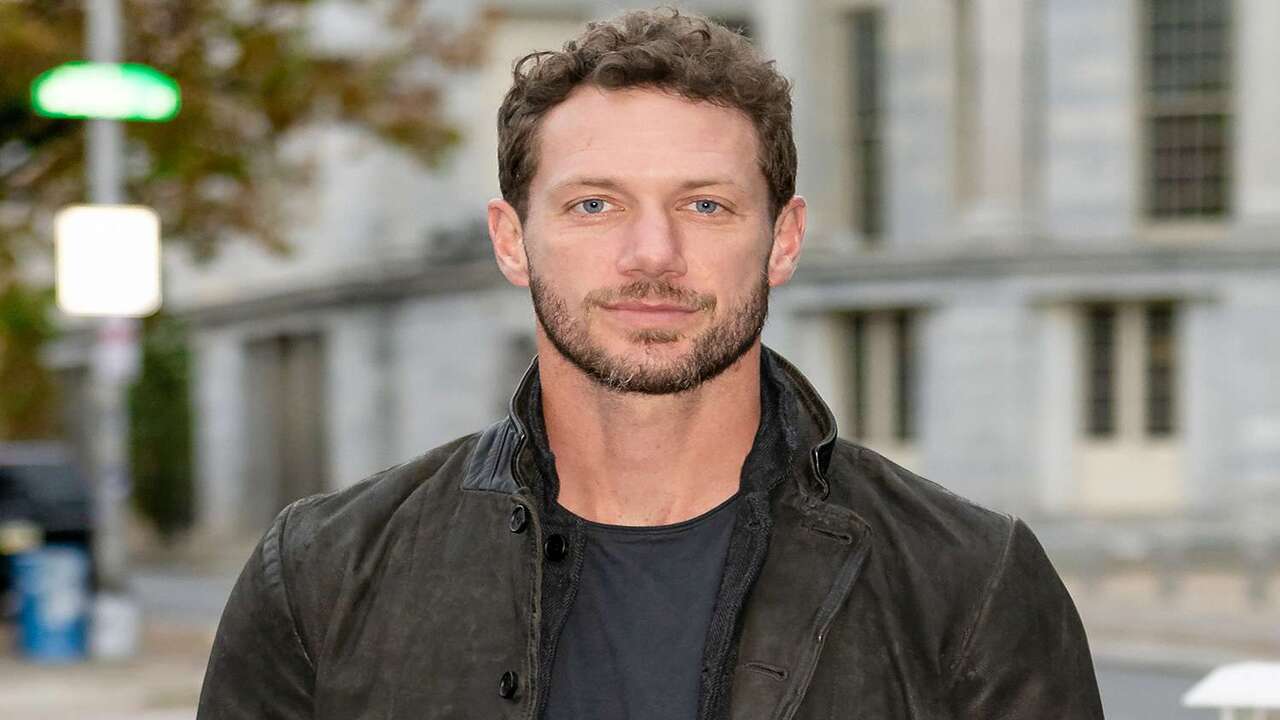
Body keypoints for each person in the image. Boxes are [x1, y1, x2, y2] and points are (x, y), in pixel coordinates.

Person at [197, 8, 1104, 719]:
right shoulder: (320, 573)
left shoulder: (970, 580)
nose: (651, 255)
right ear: (512, 241)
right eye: (594, 205)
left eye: (706, 206)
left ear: (784, 240)